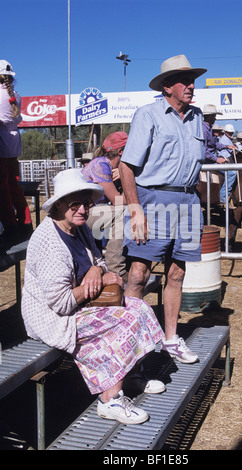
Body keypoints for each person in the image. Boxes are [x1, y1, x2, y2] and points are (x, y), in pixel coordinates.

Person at [21, 168, 165, 425]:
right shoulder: (47, 242)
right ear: (57, 206)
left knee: (140, 309)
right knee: (125, 320)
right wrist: (96, 282)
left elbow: (98, 262)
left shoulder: (80, 229)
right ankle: (109, 399)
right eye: (74, 204)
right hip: (53, 316)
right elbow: (61, 303)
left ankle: (129, 374)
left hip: (83, 304)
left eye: (86, 203)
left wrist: (97, 271)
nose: (82, 210)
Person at [119, 54, 207, 364]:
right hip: (153, 200)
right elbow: (127, 166)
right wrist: (134, 208)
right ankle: (130, 346)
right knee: (139, 274)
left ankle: (170, 338)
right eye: (185, 80)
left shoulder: (197, 117)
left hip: (188, 201)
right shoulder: (149, 114)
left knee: (177, 272)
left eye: (193, 80)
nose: (192, 86)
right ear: (167, 86)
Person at [82, 132, 128, 281]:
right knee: (123, 212)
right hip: (82, 212)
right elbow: (118, 201)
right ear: (121, 152)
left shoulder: (104, 164)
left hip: (87, 212)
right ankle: (116, 267)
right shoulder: (101, 165)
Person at [0, 60, 32, 246]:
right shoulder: (16, 95)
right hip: (13, 145)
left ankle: (11, 227)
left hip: (2, 144)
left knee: (3, 190)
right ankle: (25, 223)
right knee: (15, 187)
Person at [218, 124, 238, 205]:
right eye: (229, 132)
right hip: (222, 160)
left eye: (232, 132)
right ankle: (223, 196)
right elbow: (226, 154)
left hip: (227, 159)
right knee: (232, 173)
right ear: (225, 132)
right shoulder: (224, 140)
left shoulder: (228, 140)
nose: (231, 134)